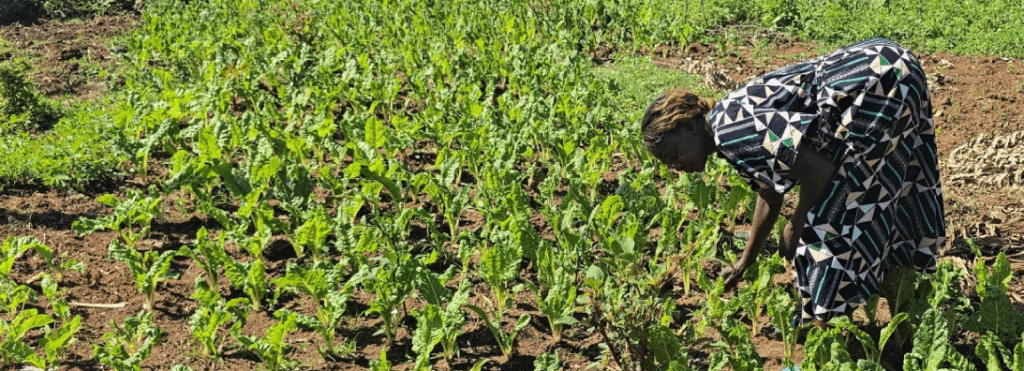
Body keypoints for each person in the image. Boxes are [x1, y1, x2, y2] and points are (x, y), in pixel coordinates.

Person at [641, 38, 945, 328]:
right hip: (888, 64)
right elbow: (769, 192)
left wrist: (796, 222)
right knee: (885, 186)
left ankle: (823, 333)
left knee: (831, 221)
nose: (678, 167)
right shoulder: (725, 124)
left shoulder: (730, 132)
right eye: (671, 165)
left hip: (877, 80)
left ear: (686, 125)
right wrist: (745, 263)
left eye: (675, 154)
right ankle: (874, 305)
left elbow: (819, 170)